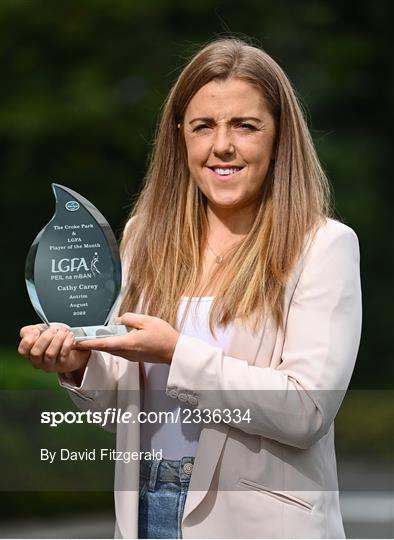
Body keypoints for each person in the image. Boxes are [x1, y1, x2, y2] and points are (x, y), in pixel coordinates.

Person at [18, 37, 362, 539]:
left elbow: (307, 409)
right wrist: (79, 363)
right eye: (204, 126)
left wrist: (177, 353)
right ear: (180, 136)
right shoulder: (142, 236)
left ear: (279, 136)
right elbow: (124, 410)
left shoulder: (324, 246)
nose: (222, 145)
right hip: (144, 511)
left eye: (245, 125)